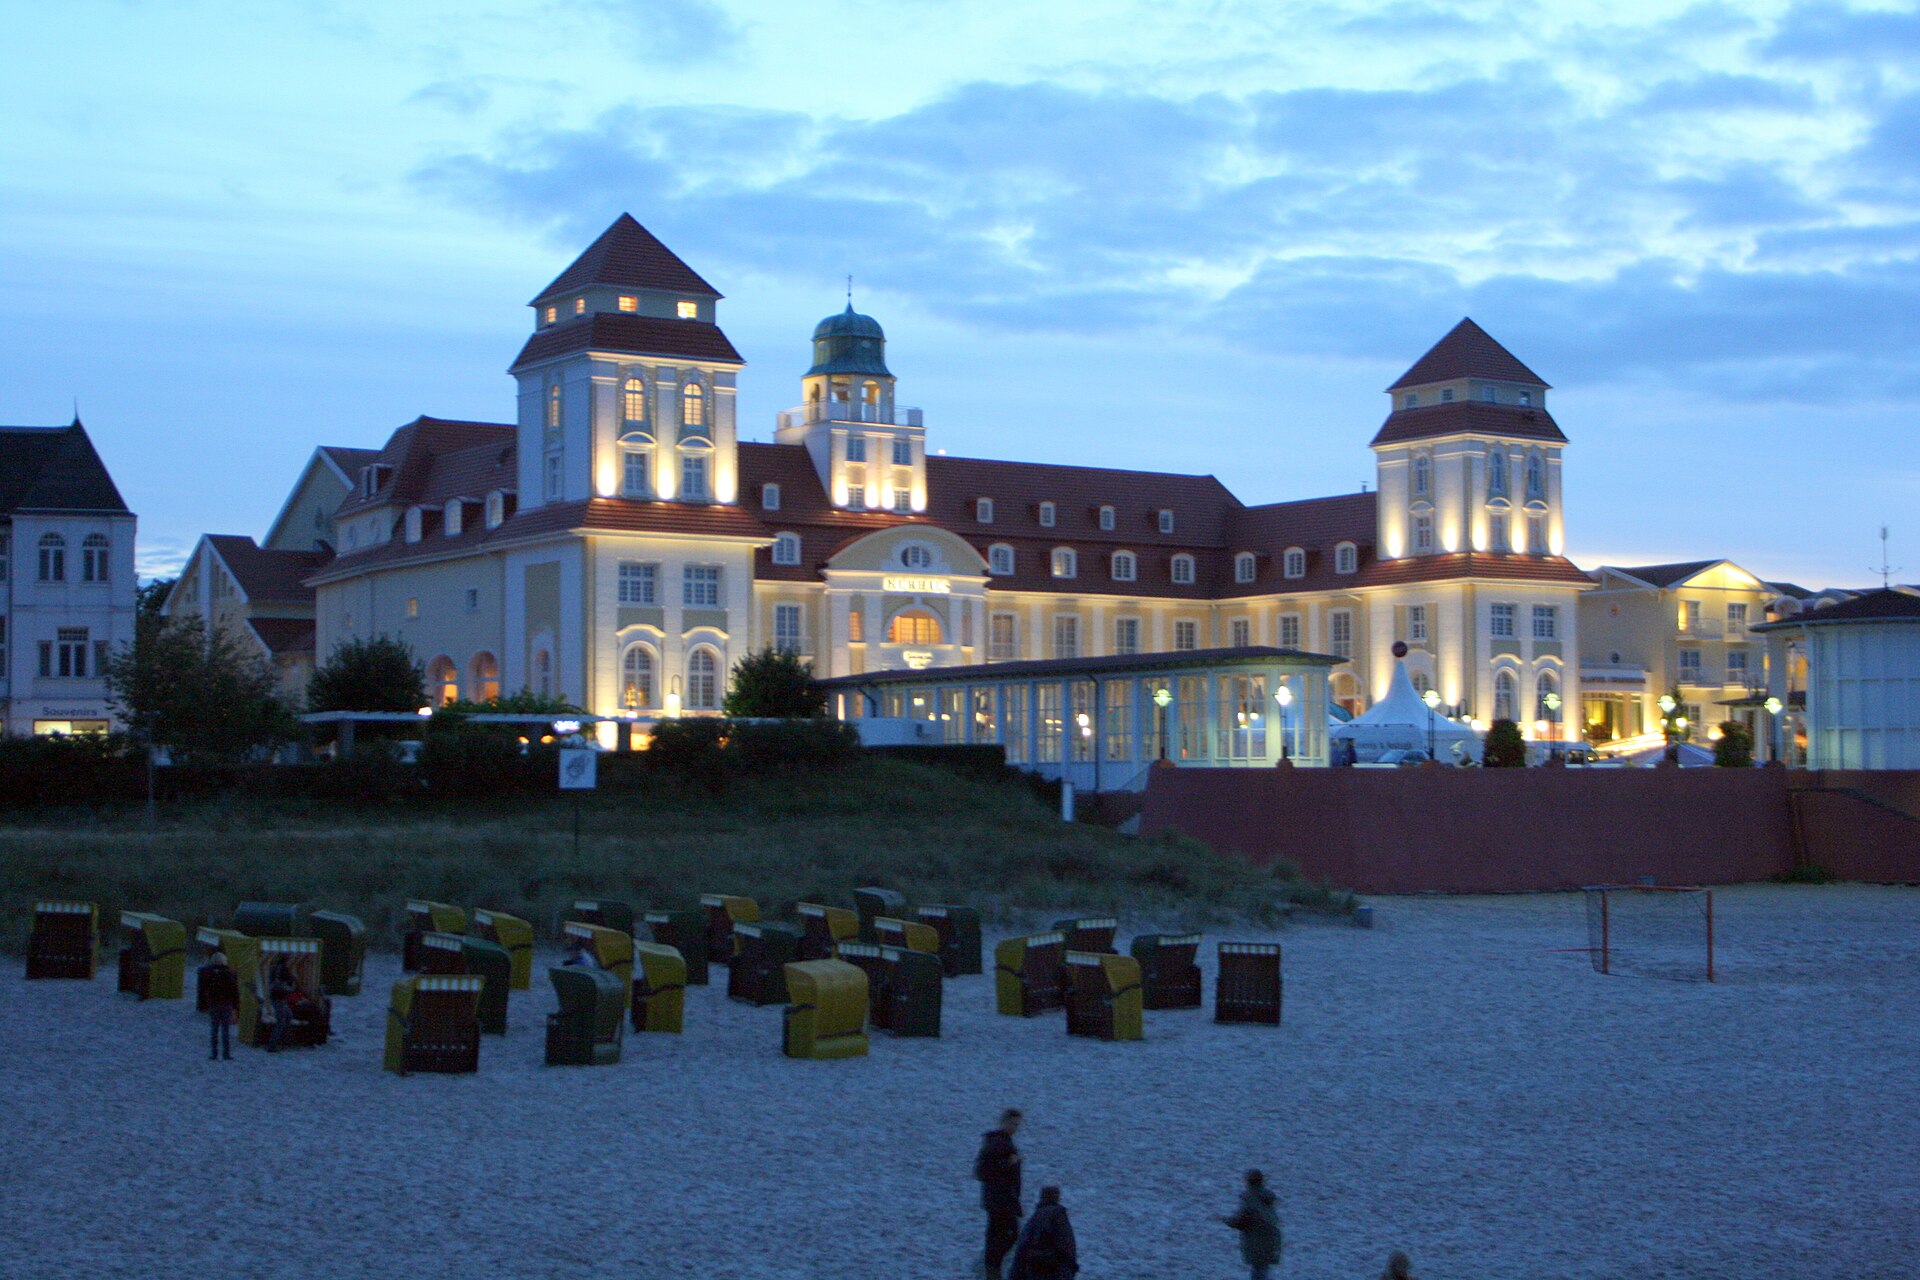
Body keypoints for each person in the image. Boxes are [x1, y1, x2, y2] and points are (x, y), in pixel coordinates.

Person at [974, 1108, 1024, 1279]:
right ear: (1003, 1122)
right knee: (1008, 1235)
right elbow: (981, 1171)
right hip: (1000, 1201)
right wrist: (1008, 1163)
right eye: (1012, 1123)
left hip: (1002, 1200)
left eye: (1017, 1124)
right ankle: (992, 1270)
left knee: (999, 1237)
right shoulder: (997, 1143)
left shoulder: (1003, 1142)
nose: (1015, 1127)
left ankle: (992, 1271)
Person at [1219, 1168, 1282, 1279]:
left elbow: (1239, 1222)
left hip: (1255, 1241)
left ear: (1248, 1181)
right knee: (1262, 1270)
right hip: (1271, 1240)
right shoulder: (1267, 1197)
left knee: (1258, 1272)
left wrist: (1224, 1219)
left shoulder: (1250, 1198)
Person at [1007, 1185, 1076, 1280]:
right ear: (1057, 1197)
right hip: (1053, 1271)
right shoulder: (1059, 1216)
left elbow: (1022, 1247)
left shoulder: (1036, 1216)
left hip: (1035, 1271)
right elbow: (1067, 1247)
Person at [198, 950, 240, 1060]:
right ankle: (226, 1054)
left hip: (213, 1004)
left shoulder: (208, 973)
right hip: (226, 1004)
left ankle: (214, 1053)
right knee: (225, 1030)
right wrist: (236, 1007)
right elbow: (234, 991)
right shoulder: (229, 973)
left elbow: (203, 987)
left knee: (214, 1030)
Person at [266, 956, 296, 1053]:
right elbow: (289, 980)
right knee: (281, 1022)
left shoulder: (274, 968)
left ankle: (284, 1040)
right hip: (280, 997)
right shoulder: (284, 969)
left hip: (276, 996)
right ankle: (272, 1045)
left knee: (288, 1016)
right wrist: (293, 979)